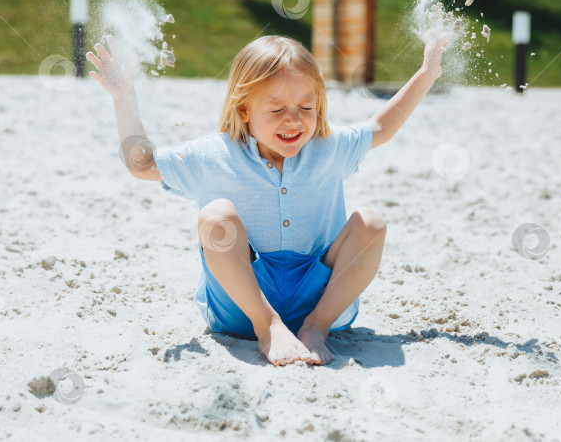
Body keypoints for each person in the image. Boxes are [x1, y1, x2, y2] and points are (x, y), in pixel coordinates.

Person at [86, 32, 449, 366]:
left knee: (370, 224)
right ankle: (268, 327)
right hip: (240, 305)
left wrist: (428, 72)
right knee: (216, 216)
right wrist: (123, 97)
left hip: (318, 295)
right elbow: (143, 164)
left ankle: (315, 328)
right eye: (276, 110)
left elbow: (382, 126)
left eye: (307, 108)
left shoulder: (330, 147)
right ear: (244, 110)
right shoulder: (214, 155)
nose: (294, 121)